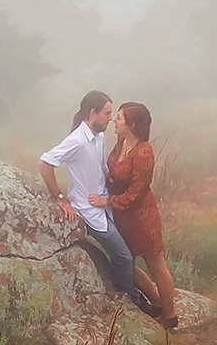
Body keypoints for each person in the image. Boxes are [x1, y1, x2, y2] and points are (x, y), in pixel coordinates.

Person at [39, 91, 160, 319]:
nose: (111, 118)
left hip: (105, 206)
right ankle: (131, 299)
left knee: (126, 255)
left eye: (113, 114)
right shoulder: (76, 140)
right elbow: (45, 163)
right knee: (123, 256)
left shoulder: (99, 137)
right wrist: (60, 198)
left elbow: (102, 170)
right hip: (88, 210)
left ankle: (141, 296)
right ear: (92, 113)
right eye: (107, 113)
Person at [89, 102, 177, 330]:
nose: (114, 122)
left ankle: (170, 317)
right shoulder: (121, 142)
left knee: (156, 265)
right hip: (122, 216)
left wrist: (106, 201)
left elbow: (136, 193)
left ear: (132, 124)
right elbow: (114, 173)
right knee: (126, 262)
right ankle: (156, 303)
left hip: (141, 217)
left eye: (119, 118)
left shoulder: (143, 152)